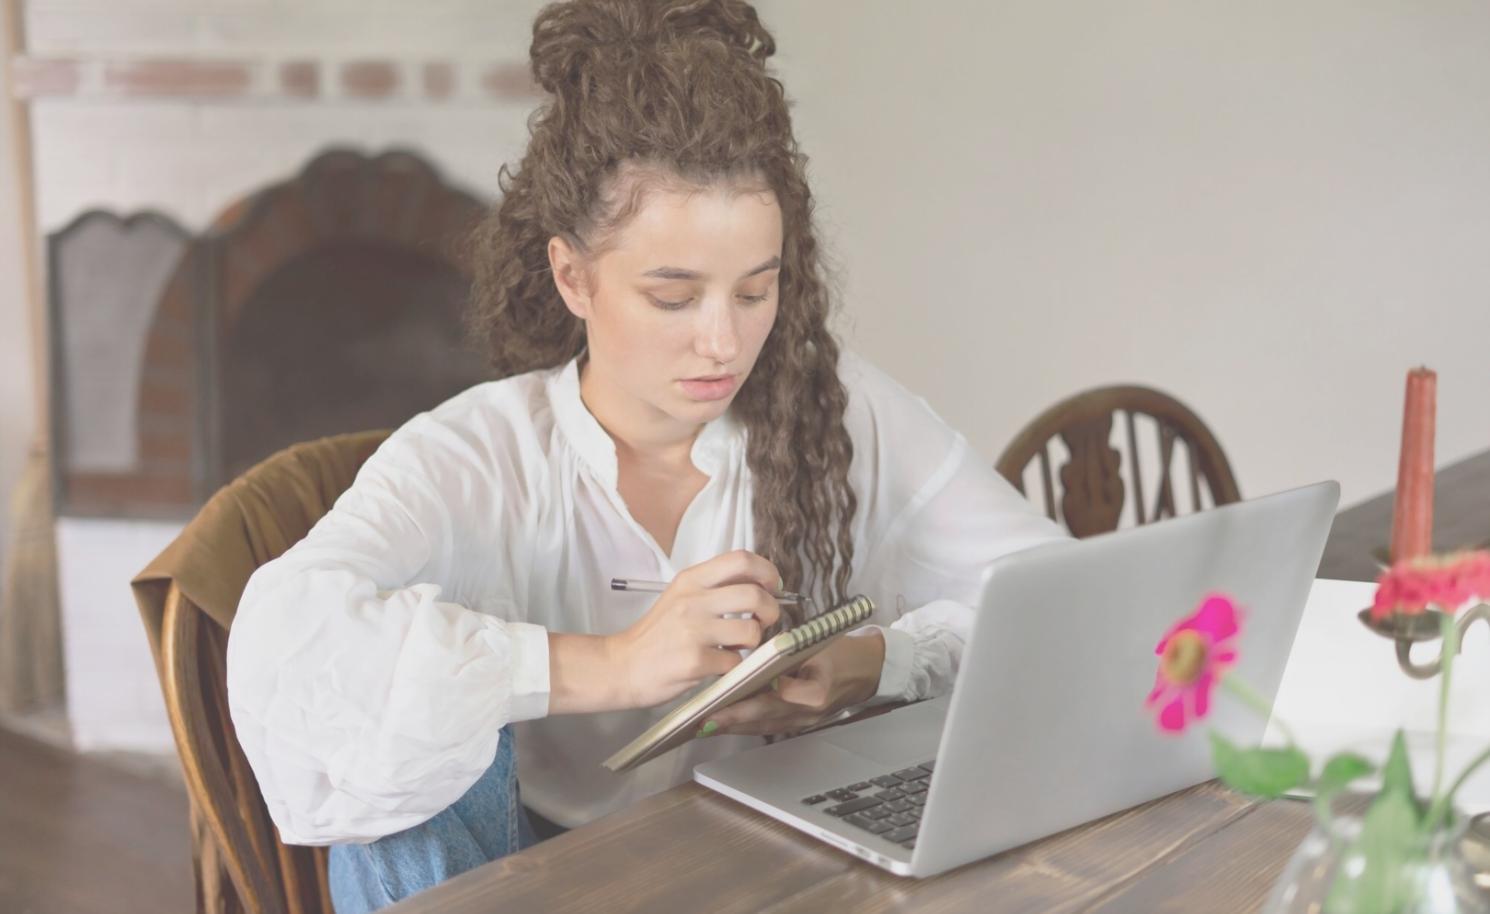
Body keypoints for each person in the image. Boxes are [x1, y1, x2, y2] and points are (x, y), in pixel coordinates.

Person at [224, 0, 1067, 910]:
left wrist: (879, 661)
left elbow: (1056, 596)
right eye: (674, 296)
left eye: (756, 290)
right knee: (402, 764)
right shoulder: (480, 452)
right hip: (525, 867)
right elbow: (288, 642)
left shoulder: (839, 409)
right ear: (572, 276)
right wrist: (613, 664)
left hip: (753, 856)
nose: (723, 344)